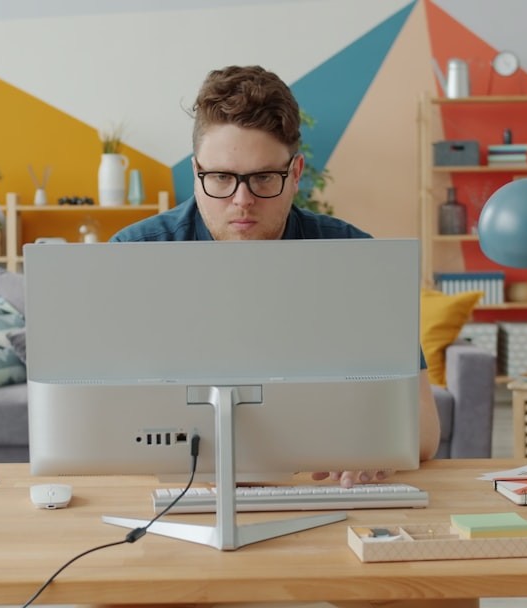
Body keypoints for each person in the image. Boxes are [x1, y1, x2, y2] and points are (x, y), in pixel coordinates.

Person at [111, 65, 441, 482]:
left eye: (264, 177)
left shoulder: (356, 259)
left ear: (296, 173)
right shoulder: (134, 256)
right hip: (171, 489)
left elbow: (425, 428)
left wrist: (373, 446)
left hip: (318, 490)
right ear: (196, 173)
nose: (242, 200)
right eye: (221, 178)